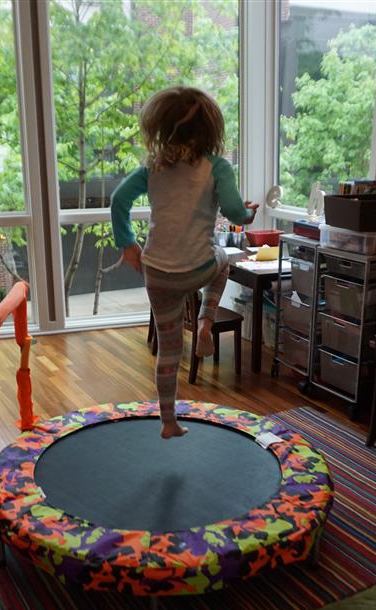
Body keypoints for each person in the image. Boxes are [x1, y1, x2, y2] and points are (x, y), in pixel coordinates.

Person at [110, 86, 258, 439]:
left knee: (169, 350)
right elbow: (234, 212)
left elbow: (118, 201)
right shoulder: (217, 167)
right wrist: (247, 215)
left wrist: (127, 244)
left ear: (160, 129)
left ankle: (168, 422)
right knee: (225, 260)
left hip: (157, 274)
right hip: (198, 269)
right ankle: (206, 323)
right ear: (211, 130)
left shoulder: (152, 168)